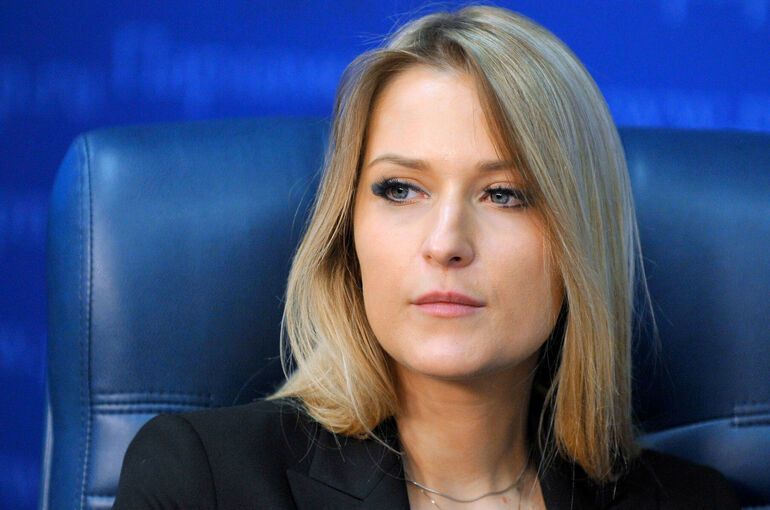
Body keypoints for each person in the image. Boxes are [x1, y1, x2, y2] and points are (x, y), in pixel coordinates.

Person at [112, 4, 741, 509]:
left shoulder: (693, 502)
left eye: (504, 194)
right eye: (400, 189)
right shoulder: (200, 479)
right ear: (347, 232)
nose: (445, 243)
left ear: (579, 241)